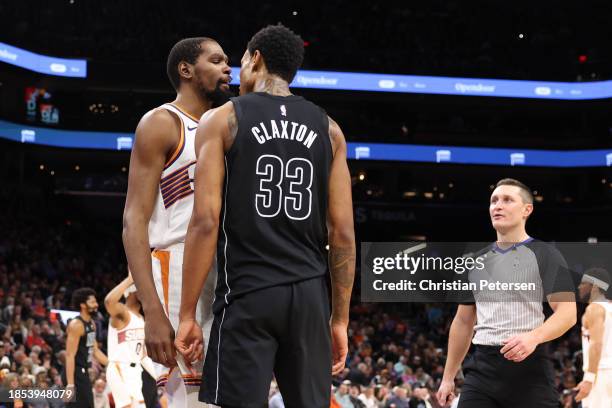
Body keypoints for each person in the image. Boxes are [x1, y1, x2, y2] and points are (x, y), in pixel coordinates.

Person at [175, 24, 356, 407]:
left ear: (255, 59)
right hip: (309, 297)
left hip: (248, 293)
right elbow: (341, 233)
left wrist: (188, 312)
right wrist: (339, 319)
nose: (237, 71)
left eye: (241, 61)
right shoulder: (330, 129)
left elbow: (205, 221)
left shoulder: (222, 119)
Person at [122, 37, 231, 407]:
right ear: (186, 69)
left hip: (226, 272)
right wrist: (151, 311)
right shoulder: (162, 123)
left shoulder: (228, 125)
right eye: (216, 61)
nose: (227, 68)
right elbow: (134, 222)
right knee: (190, 397)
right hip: (179, 268)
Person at [437, 178, 577, 408]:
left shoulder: (546, 254)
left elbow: (567, 313)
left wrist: (534, 337)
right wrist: (447, 377)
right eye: (494, 201)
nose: (497, 206)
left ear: (526, 210)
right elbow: (463, 322)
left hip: (530, 371)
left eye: (507, 200)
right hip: (481, 370)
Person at [105, 273, 153, 407]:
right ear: (133, 292)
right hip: (120, 367)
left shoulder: (141, 318)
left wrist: (159, 377)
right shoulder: (122, 313)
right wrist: (130, 279)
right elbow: (109, 302)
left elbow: (143, 355)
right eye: (142, 289)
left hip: (136, 371)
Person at [63, 288, 108, 407]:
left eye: (96, 302)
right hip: (74, 373)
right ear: (83, 305)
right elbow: (69, 355)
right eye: (92, 302)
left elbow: (95, 350)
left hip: (84, 372)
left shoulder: (91, 324)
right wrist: (70, 384)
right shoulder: (76, 325)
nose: (96, 305)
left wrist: (112, 364)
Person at [575, 267, 612, 407]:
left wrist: (589, 379)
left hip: (601, 373)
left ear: (595, 286)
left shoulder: (594, 309)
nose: (579, 287)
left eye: (583, 283)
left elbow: (596, 345)